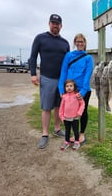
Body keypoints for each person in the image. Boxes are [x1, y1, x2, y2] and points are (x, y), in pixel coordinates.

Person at [29, 14, 70, 149]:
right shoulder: (40, 38)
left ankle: (57, 129)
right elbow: (33, 57)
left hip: (62, 80)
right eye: (53, 23)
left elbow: (68, 62)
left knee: (59, 106)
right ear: (49, 24)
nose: (55, 25)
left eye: (57, 23)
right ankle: (45, 134)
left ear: (61, 26)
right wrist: (34, 74)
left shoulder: (65, 43)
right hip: (47, 78)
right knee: (46, 107)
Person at [58, 33, 93, 145]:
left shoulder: (88, 58)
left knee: (82, 111)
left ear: (85, 43)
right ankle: (74, 133)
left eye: (82, 41)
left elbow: (87, 75)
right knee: (71, 112)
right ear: (75, 43)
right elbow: (63, 71)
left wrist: (82, 91)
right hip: (69, 89)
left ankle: (81, 133)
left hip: (82, 90)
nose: (79, 43)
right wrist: (61, 89)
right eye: (77, 41)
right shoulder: (68, 55)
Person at [59, 79, 85, 150]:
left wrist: (79, 112)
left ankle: (77, 142)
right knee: (67, 130)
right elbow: (61, 108)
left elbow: (82, 104)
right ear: (65, 88)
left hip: (75, 117)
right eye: (67, 86)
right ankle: (67, 141)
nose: (69, 87)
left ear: (74, 87)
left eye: (71, 86)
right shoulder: (64, 97)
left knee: (76, 130)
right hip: (66, 117)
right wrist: (61, 117)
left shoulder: (77, 95)